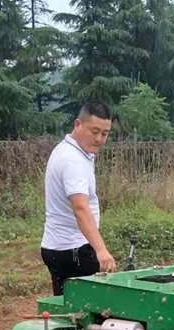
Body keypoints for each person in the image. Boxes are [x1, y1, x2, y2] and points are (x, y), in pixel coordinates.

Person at [40, 101, 117, 296]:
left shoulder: (66, 150)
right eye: (94, 131)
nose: (99, 139)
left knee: (67, 309)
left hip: (56, 248)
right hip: (74, 250)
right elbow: (81, 208)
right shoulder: (74, 161)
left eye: (105, 133)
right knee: (101, 308)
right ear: (77, 125)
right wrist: (101, 250)